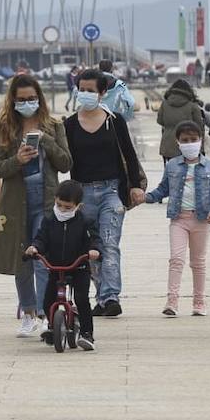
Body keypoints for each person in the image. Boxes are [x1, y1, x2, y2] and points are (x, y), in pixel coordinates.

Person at [0, 75, 72, 336]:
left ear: (40, 99)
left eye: (32, 99)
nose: (27, 103)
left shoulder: (54, 125)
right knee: (22, 260)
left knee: (42, 259)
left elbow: (66, 163)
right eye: (22, 99)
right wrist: (17, 159)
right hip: (16, 203)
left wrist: (46, 140)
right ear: (13, 101)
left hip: (46, 202)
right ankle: (28, 314)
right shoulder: (5, 129)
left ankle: (45, 312)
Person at [66, 68, 147, 317]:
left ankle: (111, 297)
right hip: (81, 195)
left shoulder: (115, 121)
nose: (85, 94)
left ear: (102, 93)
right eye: (82, 90)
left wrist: (134, 185)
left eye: (91, 90)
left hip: (111, 191)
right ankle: (101, 296)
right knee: (91, 248)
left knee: (110, 244)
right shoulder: (68, 125)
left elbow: (130, 155)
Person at [144, 121, 210, 317]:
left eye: (193, 140)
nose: (189, 143)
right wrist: (147, 197)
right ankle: (172, 301)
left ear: (200, 140)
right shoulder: (172, 165)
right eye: (185, 140)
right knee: (176, 259)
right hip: (179, 220)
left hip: (202, 220)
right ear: (178, 142)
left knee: (198, 262)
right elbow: (164, 189)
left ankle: (199, 302)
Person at [26, 180, 101, 351]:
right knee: (47, 302)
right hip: (55, 267)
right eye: (59, 205)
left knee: (82, 299)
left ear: (78, 206)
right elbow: (41, 238)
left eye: (67, 207)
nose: (62, 210)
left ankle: (87, 333)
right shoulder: (49, 220)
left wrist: (94, 250)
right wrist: (35, 248)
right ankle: (53, 328)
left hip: (78, 267)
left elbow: (94, 239)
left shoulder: (85, 221)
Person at [156, 79, 204, 163]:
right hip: (188, 144)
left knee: (171, 172)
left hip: (168, 144)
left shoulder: (165, 104)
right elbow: (199, 128)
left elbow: (160, 120)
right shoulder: (193, 106)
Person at [97, 59, 136, 124]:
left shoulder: (92, 82)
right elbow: (130, 103)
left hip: (94, 121)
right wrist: (124, 118)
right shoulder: (119, 84)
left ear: (99, 68)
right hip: (113, 121)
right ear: (111, 69)